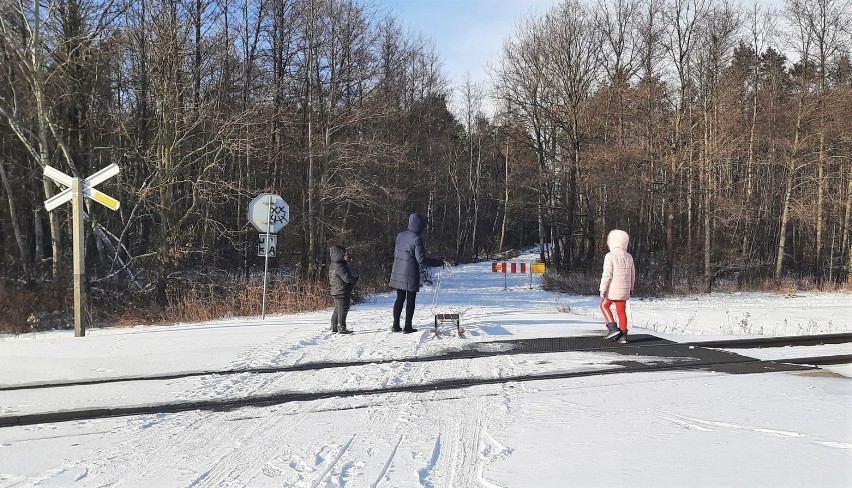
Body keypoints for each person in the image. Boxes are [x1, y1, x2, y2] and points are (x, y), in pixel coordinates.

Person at [388, 213, 443, 333]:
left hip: (397, 269)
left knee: (399, 298)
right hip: (410, 271)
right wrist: (437, 262)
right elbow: (421, 259)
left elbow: (396, 253)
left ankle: (395, 325)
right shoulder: (417, 239)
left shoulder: (400, 235)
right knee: (410, 299)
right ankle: (408, 326)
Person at [599, 229, 635, 343]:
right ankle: (623, 335)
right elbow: (633, 274)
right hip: (624, 290)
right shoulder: (629, 256)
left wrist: (603, 289)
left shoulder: (610, 256)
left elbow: (607, 274)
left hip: (612, 290)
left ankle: (612, 327)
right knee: (621, 311)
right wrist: (631, 288)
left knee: (604, 305)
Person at [328, 245, 359, 334]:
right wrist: (355, 279)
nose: (346, 255)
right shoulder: (340, 266)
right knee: (343, 309)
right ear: (339, 254)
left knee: (338, 308)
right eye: (345, 253)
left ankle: (334, 325)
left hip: (336, 290)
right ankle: (341, 327)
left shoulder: (333, 265)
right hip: (342, 291)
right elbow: (347, 278)